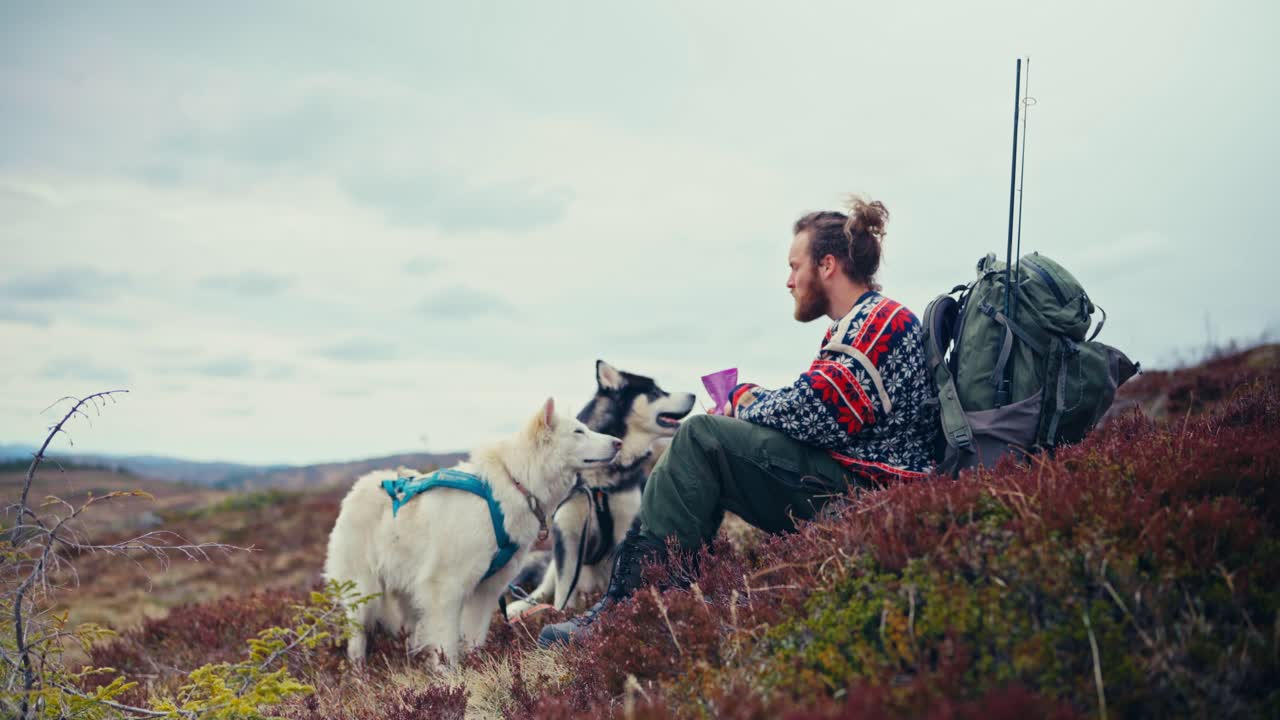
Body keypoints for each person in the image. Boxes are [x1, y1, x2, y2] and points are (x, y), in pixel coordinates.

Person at [539, 196, 937, 647]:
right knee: (710, 447)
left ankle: (630, 611)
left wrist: (744, 400)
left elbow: (818, 412)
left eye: (794, 266)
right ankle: (661, 602)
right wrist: (751, 407)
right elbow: (822, 408)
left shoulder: (877, 321)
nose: (788, 281)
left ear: (827, 265)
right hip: (859, 484)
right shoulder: (859, 324)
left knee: (700, 436)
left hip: (869, 497)